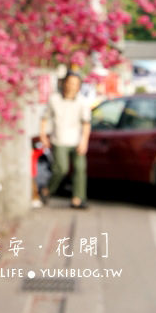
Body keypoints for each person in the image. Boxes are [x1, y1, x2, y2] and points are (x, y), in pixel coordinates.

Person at [39, 71, 91, 209]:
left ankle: (78, 199)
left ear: (79, 86)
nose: (72, 86)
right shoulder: (54, 99)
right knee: (61, 169)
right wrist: (43, 136)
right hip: (59, 140)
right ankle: (47, 189)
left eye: (75, 83)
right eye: (70, 82)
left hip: (77, 140)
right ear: (64, 83)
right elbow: (44, 118)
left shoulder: (82, 101)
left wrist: (84, 141)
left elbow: (86, 123)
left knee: (80, 169)